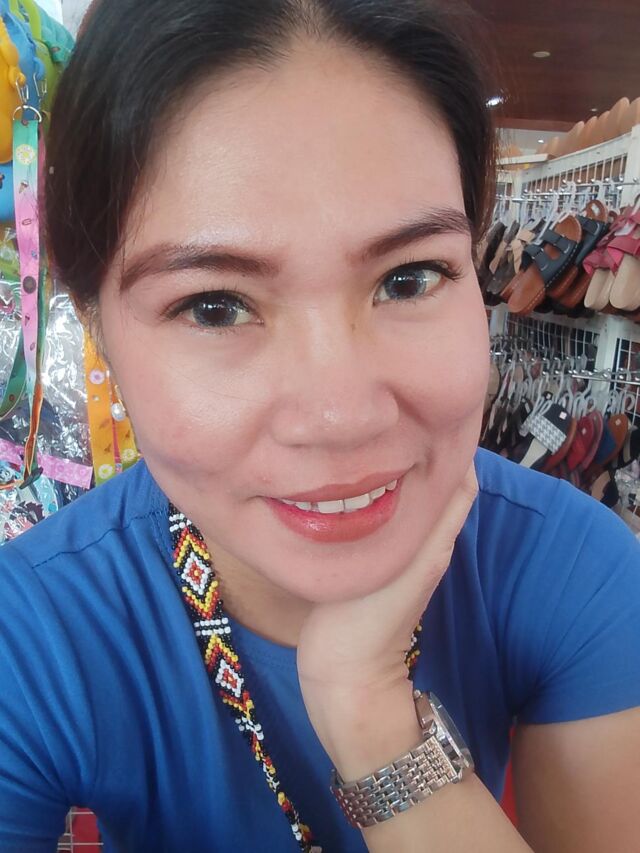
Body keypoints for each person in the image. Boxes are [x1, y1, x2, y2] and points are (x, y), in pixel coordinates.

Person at [1, 1, 639, 851]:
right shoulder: (32, 629)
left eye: (409, 279)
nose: (342, 417)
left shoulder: (574, 565)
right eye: (215, 305)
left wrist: (373, 715)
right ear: (97, 329)